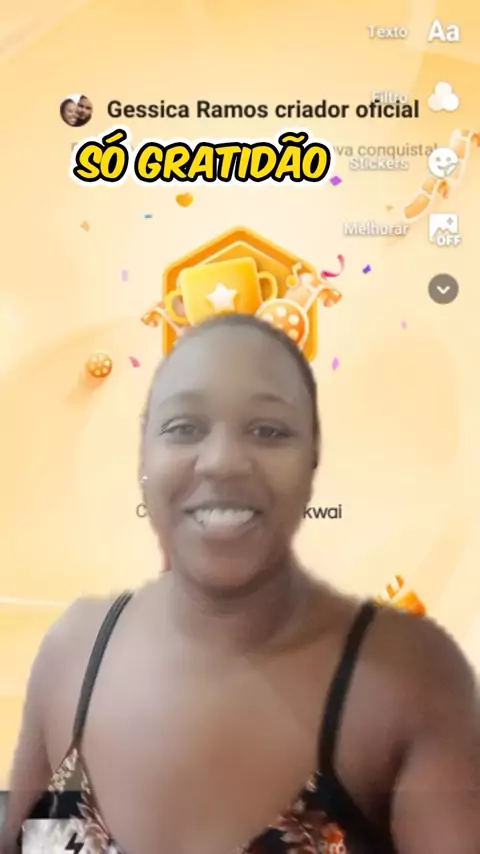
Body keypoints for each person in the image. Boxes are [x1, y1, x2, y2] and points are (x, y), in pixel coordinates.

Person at [0, 313, 478, 854]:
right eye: (184, 427)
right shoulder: (71, 651)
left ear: (312, 459)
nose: (222, 461)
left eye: (268, 430)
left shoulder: (408, 681)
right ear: (145, 458)